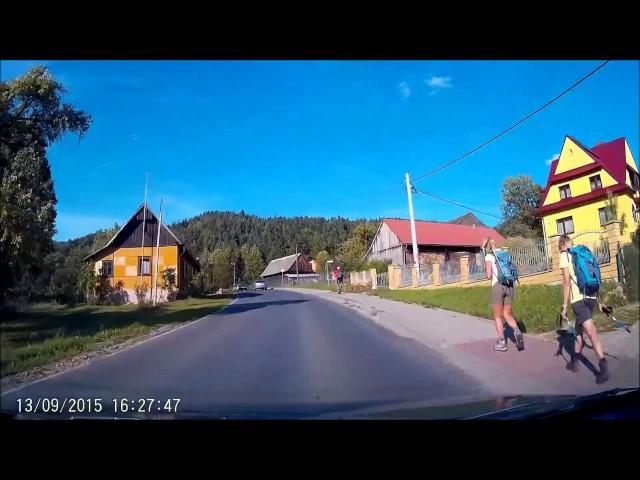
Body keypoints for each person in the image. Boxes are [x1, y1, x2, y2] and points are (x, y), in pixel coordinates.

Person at [559, 234, 609, 384]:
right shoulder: (582, 252)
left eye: (559, 247)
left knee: (590, 331)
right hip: (591, 297)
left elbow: (566, 282)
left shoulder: (565, 255)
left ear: (562, 245)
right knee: (578, 331)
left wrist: (564, 305)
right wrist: (599, 301)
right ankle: (575, 363)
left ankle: (603, 364)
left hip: (578, 299)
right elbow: (594, 276)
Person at [483, 238, 524, 352]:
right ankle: (517, 330)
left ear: (487, 246)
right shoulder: (504, 253)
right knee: (507, 314)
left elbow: (488, 275)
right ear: (494, 244)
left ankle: (502, 343)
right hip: (510, 285)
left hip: (498, 286)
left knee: (497, 316)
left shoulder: (489, 256)